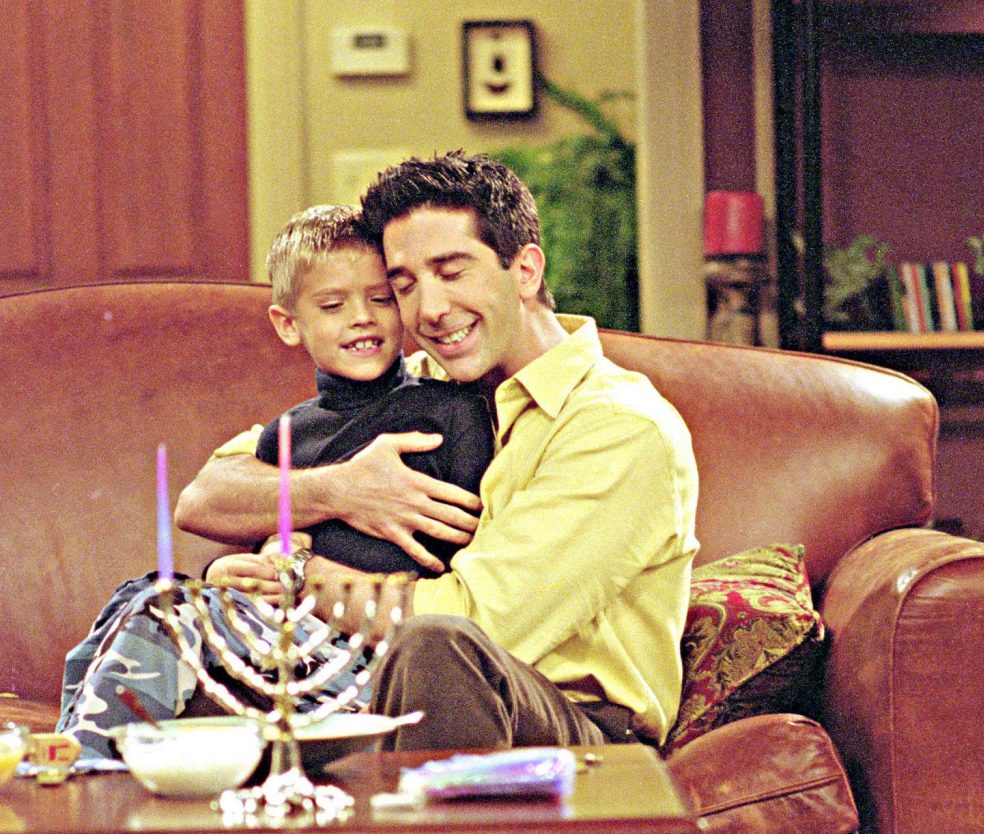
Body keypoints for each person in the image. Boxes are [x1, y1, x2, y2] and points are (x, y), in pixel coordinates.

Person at [176, 151, 700, 751]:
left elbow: (476, 622)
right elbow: (208, 495)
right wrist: (337, 490)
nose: (429, 310)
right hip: (377, 685)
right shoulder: (416, 384)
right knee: (198, 649)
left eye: (452, 273)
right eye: (404, 286)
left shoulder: (620, 427)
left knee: (437, 647)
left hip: (573, 729)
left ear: (525, 270)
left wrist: (299, 578)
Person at [56, 204, 493, 758]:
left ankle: (87, 767)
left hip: (373, 657)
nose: (362, 318)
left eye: (381, 299)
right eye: (333, 305)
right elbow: (262, 543)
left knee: (162, 608)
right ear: (289, 324)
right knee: (138, 594)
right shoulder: (284, 435)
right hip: (283, 639)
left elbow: (461, 558)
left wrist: (301, 577)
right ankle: (68, 757)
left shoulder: (450, 412)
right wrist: (229, 574)